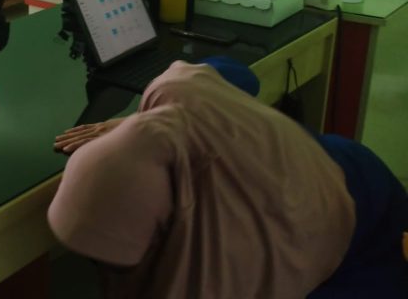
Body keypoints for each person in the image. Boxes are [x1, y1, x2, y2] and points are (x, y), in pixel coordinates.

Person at [49, 60, 407, 297]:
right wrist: (150, 119)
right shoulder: (175, 95)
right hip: (338, 165)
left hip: (356, 226)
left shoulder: (222, 272)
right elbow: (237, 74)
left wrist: (146, 122)